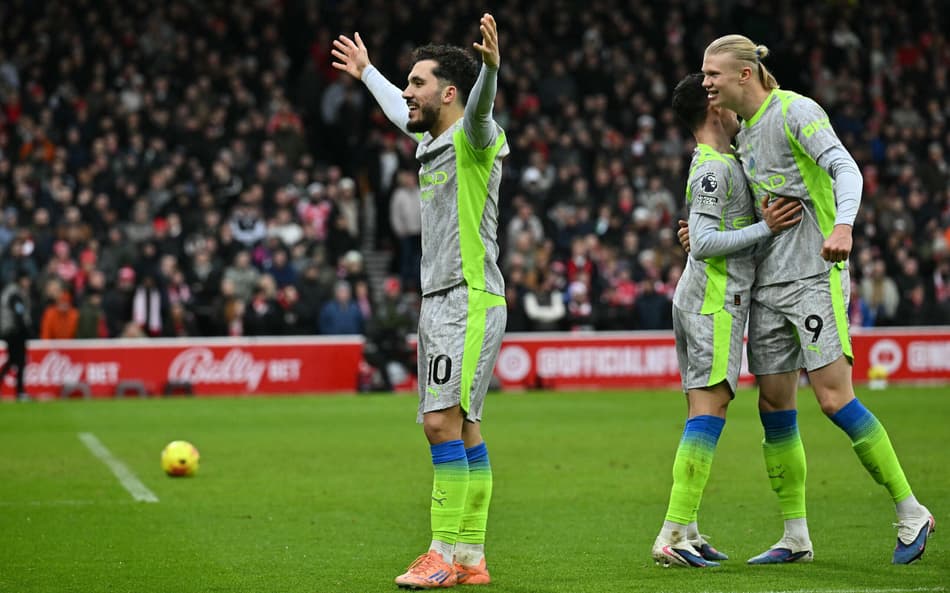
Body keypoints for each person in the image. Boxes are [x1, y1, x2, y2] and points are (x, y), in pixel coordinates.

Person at [699, 34, 933, 564]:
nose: (705, 82)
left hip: (813, 275)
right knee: (773, 405)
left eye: (713, 72)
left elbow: (846, 168)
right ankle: (796, 536)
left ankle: (911, 510)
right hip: (767, 285)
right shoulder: (742, 135)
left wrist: (844, 226)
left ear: (744, 74)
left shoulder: (795, 111)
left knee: (832, 399)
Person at [332, 14, 508, 588]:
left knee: (439, 424)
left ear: (449, 93)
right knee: (465, 428)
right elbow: (397, 110)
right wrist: (367, 74)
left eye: (417, 83)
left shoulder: (473, 138)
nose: (407, 92)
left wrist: (491, 72)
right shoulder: (431, 140)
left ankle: (439, 552)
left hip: (469, 299)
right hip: (441, 300)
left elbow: (479, 112)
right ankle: (470, 558)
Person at [652, 73, 802, 568]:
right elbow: (707, 240)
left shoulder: (720, 163)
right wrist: (765, 227)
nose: (739, 109)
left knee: (703, 408)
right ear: (715, 108)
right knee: (708, 412)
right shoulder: (714, 169)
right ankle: (673, 532)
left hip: (709, 298)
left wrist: (713, 233)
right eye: (729, 101)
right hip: (713, 301)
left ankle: (688, 531)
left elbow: (703, 234)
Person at [0, 270, 34, 401]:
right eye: (26, 279)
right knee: (19, 361)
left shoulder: (10, 292)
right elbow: (18, 313)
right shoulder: (15, 294)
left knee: (14, 361)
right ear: (21, 280)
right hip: (15, 332)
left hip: (10, 331)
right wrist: (27, 330)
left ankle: (20, 391)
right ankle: (20, 392)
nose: (28, 282)